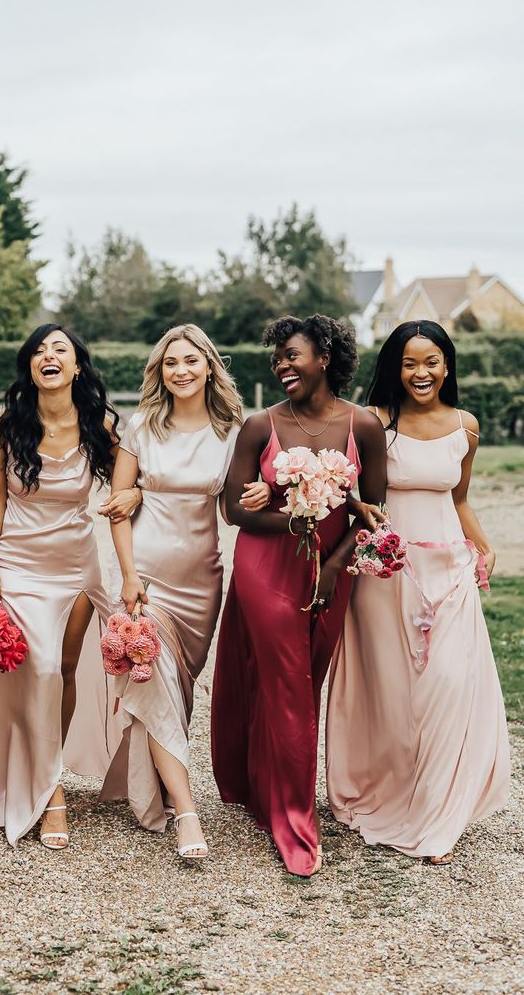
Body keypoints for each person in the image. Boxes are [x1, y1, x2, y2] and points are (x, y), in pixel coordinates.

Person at [326, 319, 510, 864]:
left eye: (431, 361)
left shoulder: (466, 427)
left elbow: (458, 500)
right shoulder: (375, 422)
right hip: (387, 575)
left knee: (449, 684)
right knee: (392, 692)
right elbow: (349, 492)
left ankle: (438, 814)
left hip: (450, 571)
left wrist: (484, 544)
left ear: (447, 365)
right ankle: (393, 789)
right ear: (395, 367)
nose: (421, 372)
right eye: (410, 362)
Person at [211, 314, 387, 877]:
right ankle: (294, 820)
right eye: (278, 359)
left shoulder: (364, 427)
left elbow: (375, 516)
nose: (282, 365)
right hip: (266, 567)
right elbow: (234, 509)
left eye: (292, 355)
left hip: (331, 574)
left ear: (325, 357)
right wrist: (292, 517)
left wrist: (337, 567)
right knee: (288, 684)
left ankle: (266, 787)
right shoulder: (261, 427)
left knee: (302, 681)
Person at [0, 324, 138, 849]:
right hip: (18, 561)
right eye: (38, 350)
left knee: (61, 669)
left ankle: (48, 762)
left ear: (77, 366)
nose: (48, 356)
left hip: (76, 565)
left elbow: (132, 481)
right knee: (32, 667)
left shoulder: (100, 425)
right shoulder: (5, 423)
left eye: (59, 349)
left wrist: (135, 496)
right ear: (29, 367)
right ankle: (50, 790)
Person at [99, 323, 265, 861]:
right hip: (146, 573)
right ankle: (188, 812)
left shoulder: (233, 431)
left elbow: (231, 508)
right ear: (159, 372)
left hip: (203, 579)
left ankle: (161, 790)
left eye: (191, 361)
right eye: (171, 363)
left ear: (210, 366)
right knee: (155, 679)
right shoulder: (142, 426)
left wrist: (266, 491)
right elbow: (119, 507)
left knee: (179, 684)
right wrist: (127, 576)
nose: (181, 370)